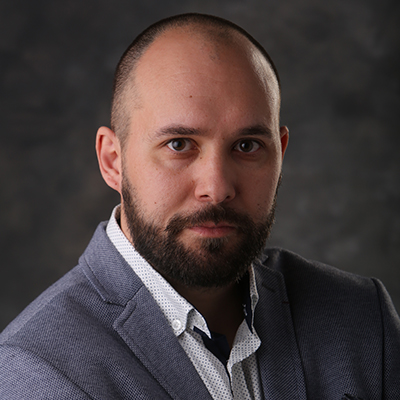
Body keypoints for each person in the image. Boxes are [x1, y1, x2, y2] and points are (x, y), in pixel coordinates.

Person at [0, 13, 399, 400]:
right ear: (112, 161)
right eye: (179, 145)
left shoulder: (363, 318)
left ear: (280, 153)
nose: (217, 188)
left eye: (247, 146)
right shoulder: (37, 373)